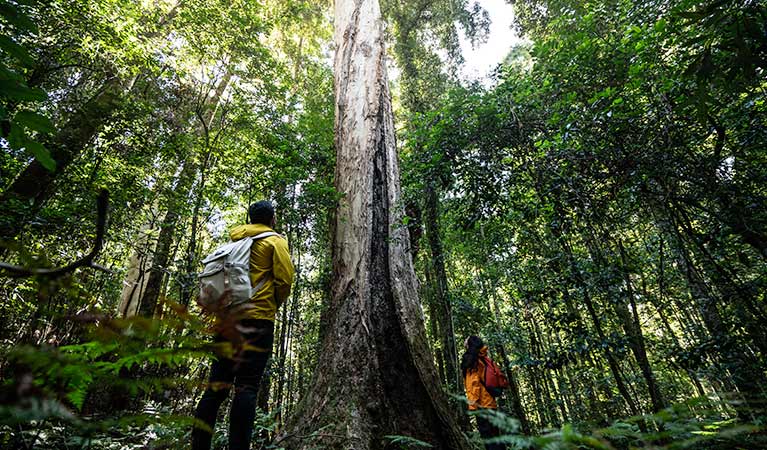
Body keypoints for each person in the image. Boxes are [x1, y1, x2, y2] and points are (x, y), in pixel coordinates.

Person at [192, 200, 295, 450]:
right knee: (247, 387)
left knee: (215, 388)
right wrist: (270, 304)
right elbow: (285, 280)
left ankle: (198, 445)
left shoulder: (234, 242)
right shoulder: (275, 241)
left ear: (250, 218)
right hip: (258, 320)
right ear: (272, 219)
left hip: (226, 321)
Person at [461, 335, 506, 450]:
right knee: (496, 437)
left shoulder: (472, 361)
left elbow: (474, 385)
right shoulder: (485, 359)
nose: (464, 343)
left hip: (482, 405)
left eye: (466, 341)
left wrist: (472, 405)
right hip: (491, 404)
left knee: (489, 440)